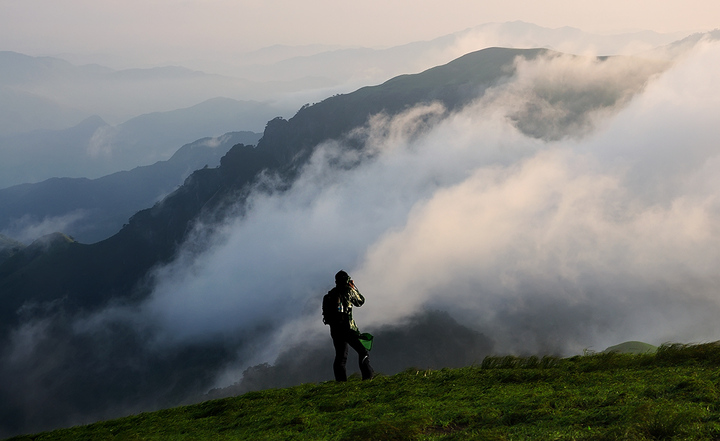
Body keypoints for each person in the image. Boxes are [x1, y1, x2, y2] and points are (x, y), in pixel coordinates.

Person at [322, 270, 375, 381]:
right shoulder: (348, 291)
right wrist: (354, 287)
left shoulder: (331, 294)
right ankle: (368, 376)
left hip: (335, 329)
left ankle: (341, 382)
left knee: (341, 356)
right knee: (363, 351)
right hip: (348, 328)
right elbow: (360, 301)